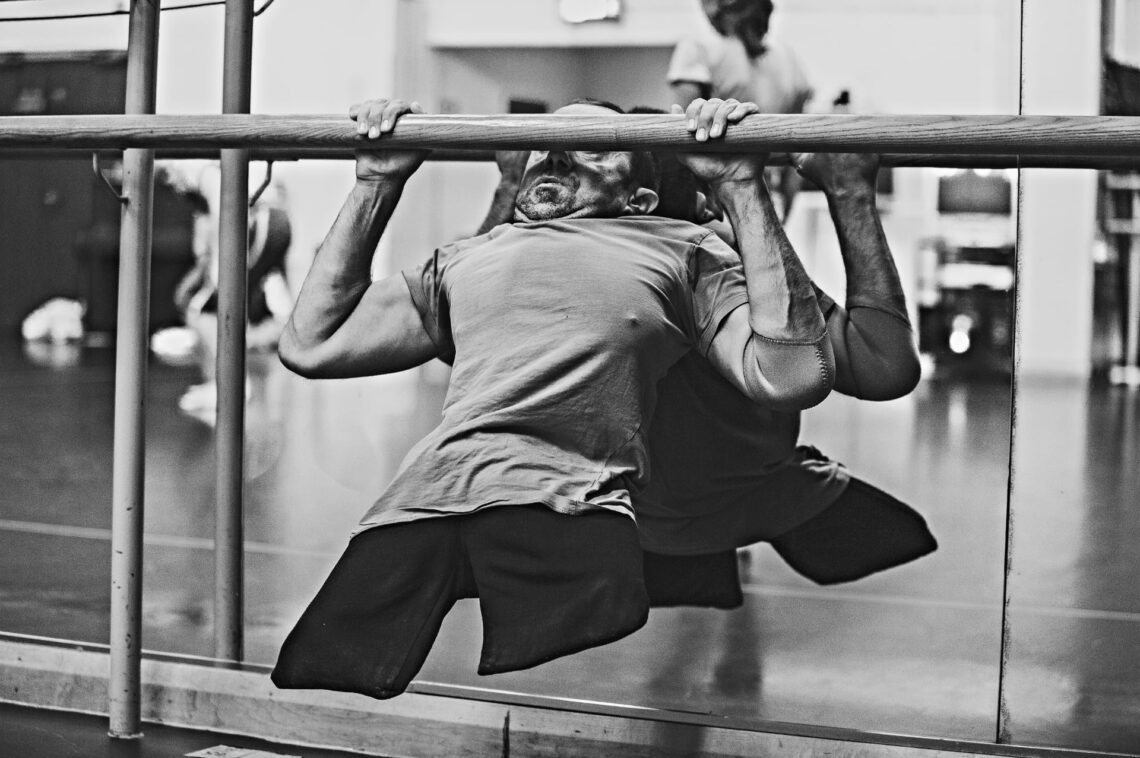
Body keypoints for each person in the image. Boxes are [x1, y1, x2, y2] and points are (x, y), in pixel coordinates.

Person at [270, 96, 834, 700]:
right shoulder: (466, 257)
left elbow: (794, 372)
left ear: (638, 198)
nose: (555, 153)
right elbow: (312, 342)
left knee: (586, 594)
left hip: (568, 506)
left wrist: (741, 187)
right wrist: (376, 183)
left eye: (590, 144)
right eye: (543, 145)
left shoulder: (679, 248)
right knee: (326, 666)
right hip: (420, 500)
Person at [479, 101, 936, 609]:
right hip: (727, 501)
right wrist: (849, 190)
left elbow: (462, 339)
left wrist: (507, 185)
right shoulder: (710, 250)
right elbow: (884, 367)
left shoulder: (567, 258)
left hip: (632, 512)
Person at [158, 160, 293, 418]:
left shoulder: (191, 168)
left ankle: (229, 386)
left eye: (168, 180)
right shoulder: (192, 179)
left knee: (198, 305)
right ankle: (223, 384)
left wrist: (220, 266)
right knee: (201, 303)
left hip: (260, 223)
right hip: (268, 223)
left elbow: (221, 203)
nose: (172, 187)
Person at [669, 0, 812, 220]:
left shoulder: (699, 49)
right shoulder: (789, 60)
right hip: (749, 197)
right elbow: (800, 152)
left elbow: (683, 133)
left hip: (730, 198)